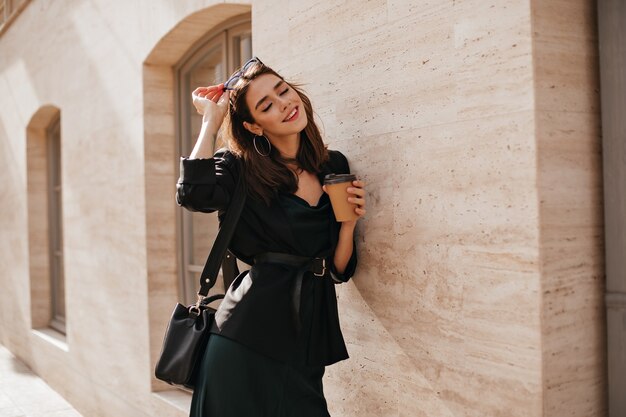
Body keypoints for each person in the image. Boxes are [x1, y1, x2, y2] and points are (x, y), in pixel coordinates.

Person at [176, 56, 367, 417]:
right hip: (244, 339)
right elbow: (192, 194)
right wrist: (210, 121)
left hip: (306, 339)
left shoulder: (333, 166)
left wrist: (348, 223)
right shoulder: (239, 168)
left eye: (283, 91)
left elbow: (341, 270)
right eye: (267, 105)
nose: (284, 104)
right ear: (254, 126)